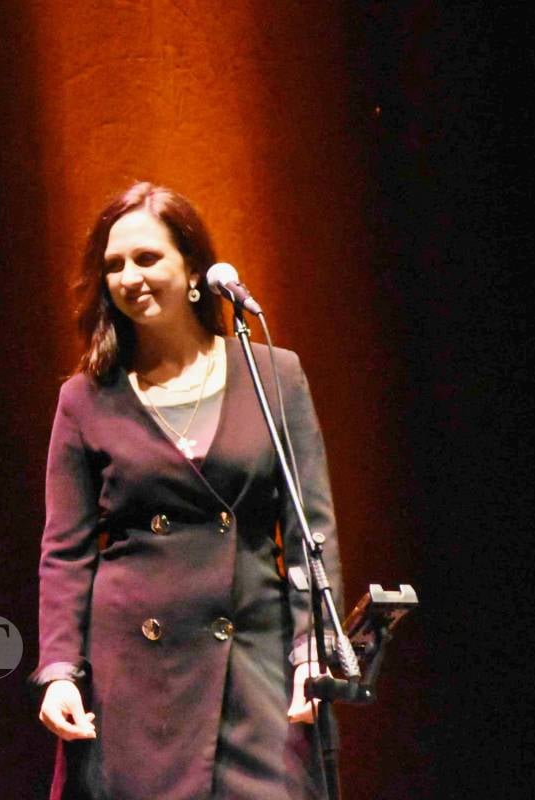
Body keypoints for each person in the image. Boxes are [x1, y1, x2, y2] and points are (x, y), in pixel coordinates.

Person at [32, 183, 343, 799]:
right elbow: (65, 553)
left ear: (194, 269)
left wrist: (315, 648)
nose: (129, 276)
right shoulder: (85, 398)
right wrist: (60, 673)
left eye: (147, 258)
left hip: (256, 660)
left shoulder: (274, 373)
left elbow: (312, 528)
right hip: (139, 679)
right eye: (114, 265)